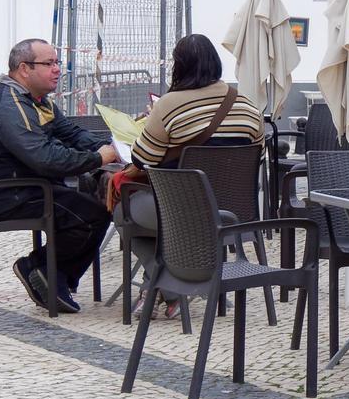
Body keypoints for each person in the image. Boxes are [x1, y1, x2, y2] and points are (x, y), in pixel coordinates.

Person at [108, 34, 264, 317]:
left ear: (178, 67)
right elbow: (256, 157)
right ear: (216, 64)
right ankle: (170, 290)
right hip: (233, 213)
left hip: (179, 212)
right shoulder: (248, 106)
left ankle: (171, 288)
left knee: (123, 213)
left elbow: (143, 160)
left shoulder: (169, 104)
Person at [0, 38, 119, 313]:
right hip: (12, 196)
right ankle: (38, 268)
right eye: (49, 63)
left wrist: (113, 144)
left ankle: (53, 277)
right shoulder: (9, 107)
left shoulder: (37, 101)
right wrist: (99, 158)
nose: (57, 69)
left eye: (57, 62)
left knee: (96, 210)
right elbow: (46, 159)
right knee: (92, 216)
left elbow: (71, 134)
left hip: (33, 188)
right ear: (24, 69)